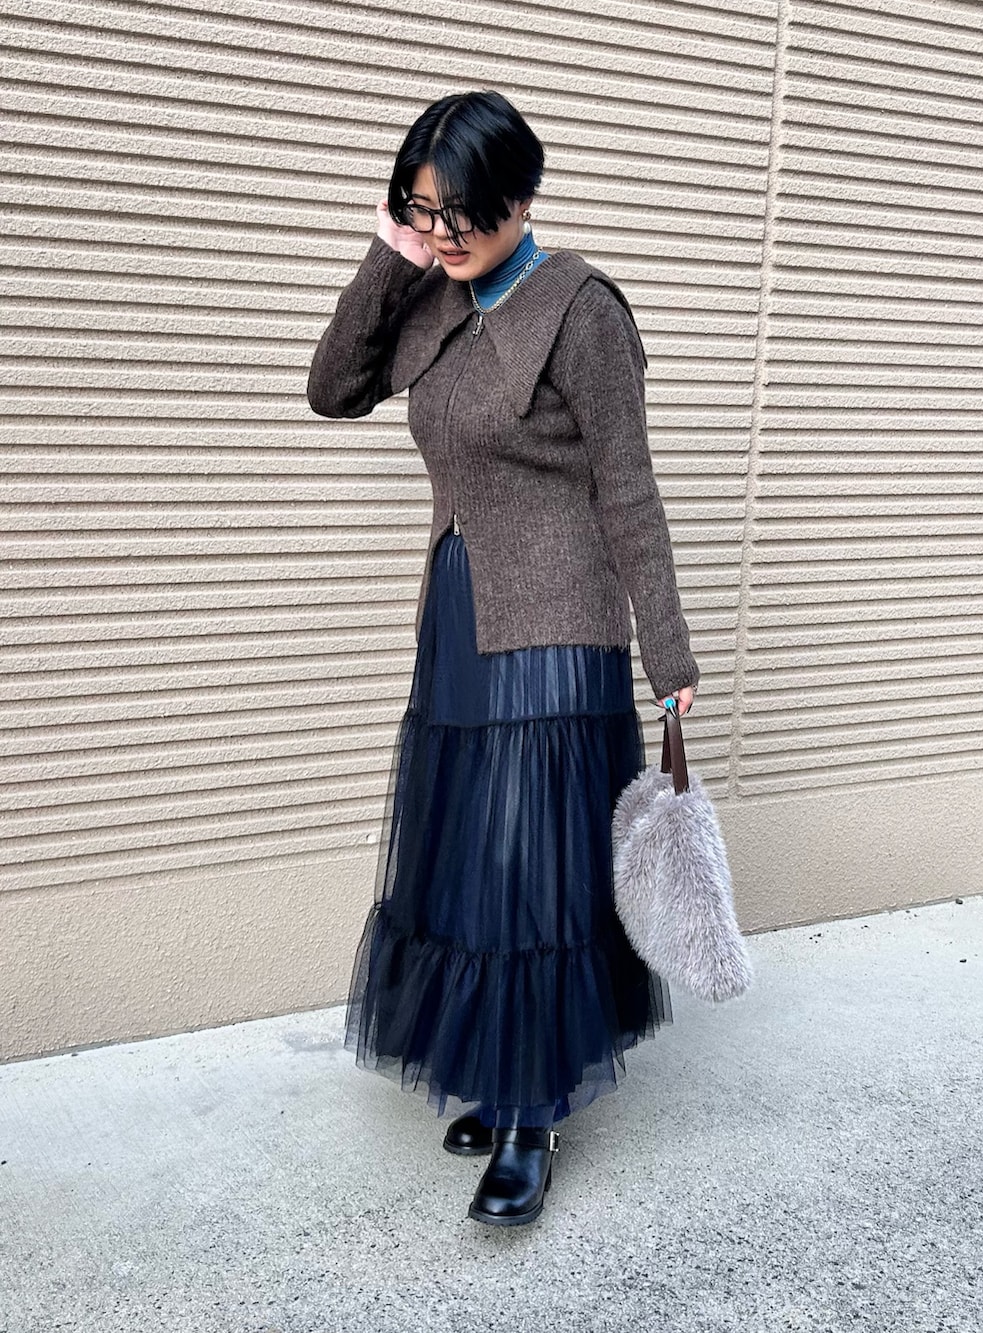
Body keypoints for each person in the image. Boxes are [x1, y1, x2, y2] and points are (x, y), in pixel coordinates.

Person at [307, 90, 699, 1228]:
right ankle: (500, 1069)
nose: (443, 233)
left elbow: (629, 489)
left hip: (557, 630)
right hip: (461, 622)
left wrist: (668, 654)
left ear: (522, 195)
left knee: (534, 869)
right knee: (473, 862)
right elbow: (333, 387)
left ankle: (533, 1111)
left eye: (460, 211)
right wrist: (390, 257)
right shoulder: (435, 293)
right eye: (421, 209)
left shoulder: (581, 309)